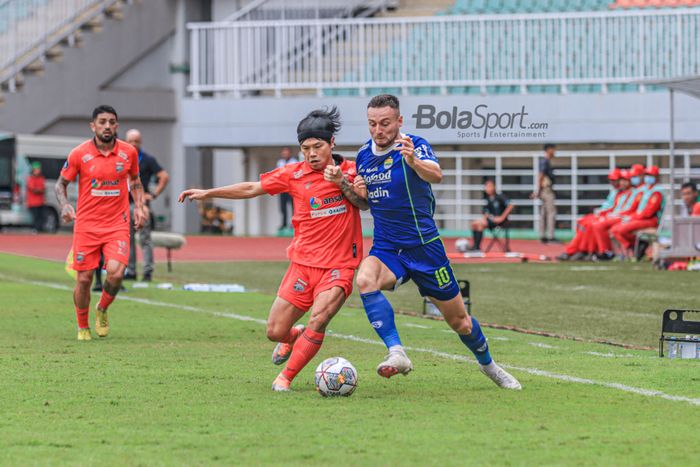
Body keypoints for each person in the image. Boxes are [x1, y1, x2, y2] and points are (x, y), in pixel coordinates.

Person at [179, 107, 366, 392]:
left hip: (339, 265)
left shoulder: (352, 170)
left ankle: (285, 378)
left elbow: (363, 202)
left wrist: (341, 182)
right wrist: (209, 193)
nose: (312, 153)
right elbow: (252, 188)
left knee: (319, 318)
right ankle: (291, 337)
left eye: (318, 146)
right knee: (274, 331)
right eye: (306, 148)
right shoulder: (293, 174)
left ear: (332, 144)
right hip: (302, 265)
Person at [349, 94, 520, 390]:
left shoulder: (414, 144)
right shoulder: (364, 156)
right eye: (373, 124)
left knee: (460, 322)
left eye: (385, 123)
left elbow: (436, 175)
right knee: (365, 280)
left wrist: (414, 161)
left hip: (426, 249)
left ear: (399, 121)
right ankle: (397, 352)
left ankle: (489, 365)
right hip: (388, 247)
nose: (378, 130)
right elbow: (364, 204)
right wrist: (352, 188)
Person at [55, 105, 145, 340]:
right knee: (84, 279)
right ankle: (82, 326)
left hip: (117, 224)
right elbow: (60, 184)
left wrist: (140, 207)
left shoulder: (129, 153)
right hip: (86, 225)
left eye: (112, 122)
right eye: (102, 121)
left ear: (117, 126)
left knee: (116, 274)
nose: (107, 126)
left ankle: (102, 308)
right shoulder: (79, 154)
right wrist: (65, 205)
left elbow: (135, 181)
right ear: (93, 126)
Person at [123, 129, 170, 282]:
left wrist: (154, 194)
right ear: (126, 142)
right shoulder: (122, 159)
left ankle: (147, 271)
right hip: (124, 204)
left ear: (141, 142)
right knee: (127, 239)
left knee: (145, 239)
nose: (133, 144)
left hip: (142, 204)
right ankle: (130, 271)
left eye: (136, 141)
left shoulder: (147, 160)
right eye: (130, 141)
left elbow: (164, 176)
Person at [559, 168, 627, 261]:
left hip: (617, 217)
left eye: (615, 180)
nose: (613, 182)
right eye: (611, 180)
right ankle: (579, 249)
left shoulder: (627, 193)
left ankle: (593, 251)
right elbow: (611, 207)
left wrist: (603, 213)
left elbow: (618, 209)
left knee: (593, 224)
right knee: (582, 221)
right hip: (610, 215)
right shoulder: (616, 192)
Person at [591, 164, 645, 260]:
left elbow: (633, 209)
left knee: (608, 228)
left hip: (631, 217)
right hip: (626, 216)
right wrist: (605, 214)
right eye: (622, 180)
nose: (623, 183)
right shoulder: (621, 193)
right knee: (595, 223)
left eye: (626, 180)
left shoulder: (637, 191)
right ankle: (601, 251)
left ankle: (614, 250)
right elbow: (616, 207)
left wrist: (614, 215)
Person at [610, 165, 665, 256]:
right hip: (641, 218)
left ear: (656, 177)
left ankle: (634, 248)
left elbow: (649, 213)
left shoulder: (656, 192)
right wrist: (632, 217)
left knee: (619, 230)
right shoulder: (648, 189)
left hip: (651, 220)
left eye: (651, 175)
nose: (648, 177)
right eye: (647, 174)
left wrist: (633, 217)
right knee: (615, 229)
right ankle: (634, 247)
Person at [470, 179, 513, 251]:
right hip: (492, 221)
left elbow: (510, 205)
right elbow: (486, 213)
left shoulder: (500, 196)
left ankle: (476, 248)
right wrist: (485, 217)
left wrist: (502, 217)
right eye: (486, 186)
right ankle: (476, 246)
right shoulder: (487, 199)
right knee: (474, 224)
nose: (487, 188)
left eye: (489, 186)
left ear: (494, 187)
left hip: (501, 222)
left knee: (480, 224)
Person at [533, 143, 557, 243]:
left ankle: (543, 235)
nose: (555, 152)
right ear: (549, 150)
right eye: (553, 149)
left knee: (543, 213)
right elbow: (541, 176)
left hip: (544, 190)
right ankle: (550, 236)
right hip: (546, 190)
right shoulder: (545, 162)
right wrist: (537, 191)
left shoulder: (545, 161)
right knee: (551, 212)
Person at [276, 147, 297, 231]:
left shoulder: (294, 162)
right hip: (282, 188)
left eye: (287, 153)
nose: (285, 154)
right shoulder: (280, 162)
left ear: (290, 153)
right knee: (282, 207)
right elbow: (279, 174)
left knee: (293, 206)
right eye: (284, 153)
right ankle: (283, 224)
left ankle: (293, 224)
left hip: (291, 188)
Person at [26, 161, 46, 233]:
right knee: (35, 217)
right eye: (37, 169)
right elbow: (33, 190)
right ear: (33, 170)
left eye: (39, 169)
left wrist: (39, 190)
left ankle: (40, 229)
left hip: (40, 202)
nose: (38, 171)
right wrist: (39, 190)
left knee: (41, 217)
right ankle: (35, 229)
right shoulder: (30, 179)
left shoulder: (41, 178)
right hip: (33, 203)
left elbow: (43, 189)